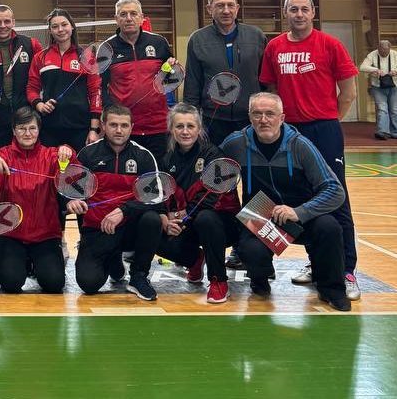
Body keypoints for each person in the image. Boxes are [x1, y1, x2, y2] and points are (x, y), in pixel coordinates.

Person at [259, 0, 360, 300]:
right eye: (294, 9)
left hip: (323, 129)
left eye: (304, 9)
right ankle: (318, 264)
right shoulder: (275, 47)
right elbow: (271, 90)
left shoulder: (330, 44)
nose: (299, 14)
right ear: (285, 13)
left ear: (313, 13)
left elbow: (349, 92)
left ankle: (346, 270)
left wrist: (328, 119)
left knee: (335, 197)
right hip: (289, 131)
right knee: (303, 197)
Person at [220, 93, 350, 311]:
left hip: (300, 215)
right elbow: (213, 172)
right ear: (250, 117)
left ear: (282, 118)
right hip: (260, 215)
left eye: (270, 114)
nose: (263, 120)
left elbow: (335, 190)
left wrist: (300, 212)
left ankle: (332, 289)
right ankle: (260, 279)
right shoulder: (236, 143)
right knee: (249, 250)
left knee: (329, 228)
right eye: (257, 114)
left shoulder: (300, 146)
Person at [71, 104, 164, 301]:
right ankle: (113, 259)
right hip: (98, 229)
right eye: (113, 125)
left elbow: (155, 198)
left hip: (130, 228)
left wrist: (124, 210)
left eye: (124, 125)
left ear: (132, 127)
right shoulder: (87, 155)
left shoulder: (144, 156)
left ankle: (138, 276)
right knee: (88, 283)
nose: (119, 130)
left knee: (152, 219)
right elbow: (73, 192)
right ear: (103, 125)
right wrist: (72, 201)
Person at [0, 107, 73, 294]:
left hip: (45, 235)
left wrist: (68, 151)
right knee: (10, 284)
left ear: (39, 130)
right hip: (10, 234)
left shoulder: (52, 156)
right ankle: (21, 261)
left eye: (32, 128)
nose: (27, 133)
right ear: (14, 130)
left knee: (54, 284)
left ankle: (35, 262)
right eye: (22, 128)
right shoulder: (2, 156)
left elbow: (74, 173)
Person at [155, 104, 241, 304]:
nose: (185, 131)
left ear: (199, 128)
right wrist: (167, 218)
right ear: (171, 129)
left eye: (190, 126)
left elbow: (213, 198)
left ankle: (218, 280)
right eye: (179, 126)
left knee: (206, 218)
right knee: (154, 229)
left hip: (222, 224)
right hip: (188, 220)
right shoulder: (167, 160)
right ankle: (194, 260)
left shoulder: (213, 154)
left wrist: (183, 215)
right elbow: (164, 194)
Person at [184, 0, 267, 146]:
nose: (226, 10)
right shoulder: (198, 39)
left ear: (237, 8)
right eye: (220, 5)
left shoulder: (256, 36)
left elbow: (266, 80)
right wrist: (190, 119)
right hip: (213, 120)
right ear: (209, 9)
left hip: (251, 118)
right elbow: (192, 84)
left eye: (230, 5)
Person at [101, 0, 175, 160]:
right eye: (123, 14)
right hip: (123, 128)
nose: (129, 18)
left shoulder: (159, 42)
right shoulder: (106, 48)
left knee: (159, 171)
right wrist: (110, 112)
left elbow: (169, 78)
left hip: (158, 126)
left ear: (142, 18)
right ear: (116, 19)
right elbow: (100, 87)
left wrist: (173, 70)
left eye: (133, 14)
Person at [27, 8, 102, 150]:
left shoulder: (86, 57)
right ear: (50, 31)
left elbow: (95, 92)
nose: (60, 29)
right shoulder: (40, 57)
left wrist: (94, 129)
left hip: (80, 128)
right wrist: (39, 105)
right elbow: (32, 88)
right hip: (49, 128)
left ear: (72, 26)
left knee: (79, 165)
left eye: (64, 24)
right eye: (55, 26)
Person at [0, 5, 43, 156]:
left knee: (28, 162)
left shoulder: (31, 45)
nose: (2, 26)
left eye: (7, 21)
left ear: (13, 22)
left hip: (25, 117)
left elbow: (42, 77)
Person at [359, 39, 397, 140]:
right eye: (381, 50)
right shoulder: (372, 54)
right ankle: (383, 132)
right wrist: (375, 70)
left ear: (390, 48)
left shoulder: (395, 54)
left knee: (394, 110)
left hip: (394, 86)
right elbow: (362, 67)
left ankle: (395, 132)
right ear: (378, 48)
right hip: (377, 86)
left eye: (386, 50)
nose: (383, 52)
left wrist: (395, 71)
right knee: (382, 109)